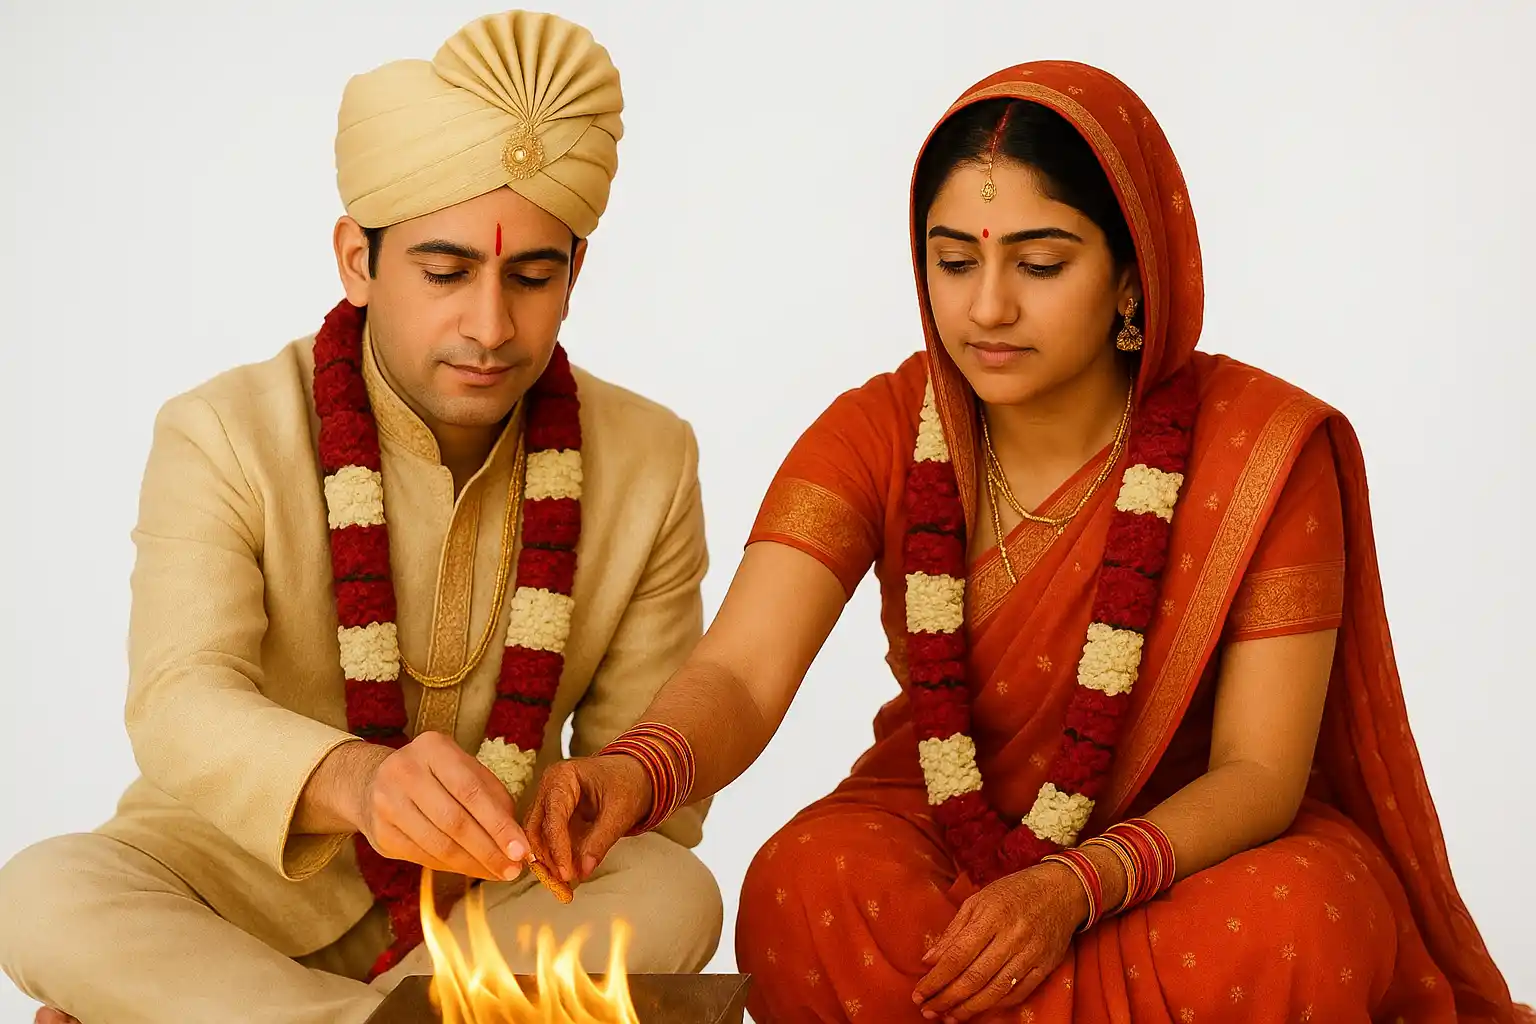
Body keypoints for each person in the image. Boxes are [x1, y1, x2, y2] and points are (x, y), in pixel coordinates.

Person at [524, 61, 1531, 1023]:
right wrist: (637, 770)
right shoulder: (881, 430)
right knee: (799, 887)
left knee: (1304, 921)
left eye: (1039, 263)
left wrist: (1074, 885)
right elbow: (744, 671)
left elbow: (1260, 772)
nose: (986, 306)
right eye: (954, 260)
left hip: (1187, 856)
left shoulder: (1260, 447)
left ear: (1134, 279)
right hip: (949, 839)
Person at [0, 10, 724, 1024]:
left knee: (670, 893)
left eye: (531, 275)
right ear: (357, 259)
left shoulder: (649, 458)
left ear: (576, 275)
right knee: (44, 894)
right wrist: (358, 782)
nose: (489, 324)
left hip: (493, 901)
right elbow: (177, 699)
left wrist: (605, 803)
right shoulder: (223, 431)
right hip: (236, 884)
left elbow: (651, 779)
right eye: (444, 271)